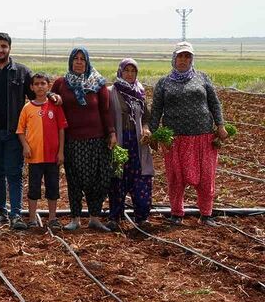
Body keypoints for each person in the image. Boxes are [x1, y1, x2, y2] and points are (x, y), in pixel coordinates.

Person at [150, 42, 226, 226]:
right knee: (176, 178)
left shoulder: (202, 78)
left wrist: (220, 125)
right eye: (180, 56)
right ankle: (176, 214)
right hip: (175, 139)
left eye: (187, 56)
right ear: (174, 59)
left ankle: (206, 215)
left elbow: (214, 103)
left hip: (204, 137)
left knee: (206, 177)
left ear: (192, 59)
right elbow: (156, 110)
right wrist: (152, 133)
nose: (183, 60)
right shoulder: (164, 83)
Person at [0, 33, 39, 230]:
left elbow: (36, 94)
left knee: (15, 173)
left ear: (10, 48)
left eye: (3, 46)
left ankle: (16, 214)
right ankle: (1, 212)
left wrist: (52, 96)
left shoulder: (22, 72)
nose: (0, 50)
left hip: (14, 132)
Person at [51, 47, 116, 232]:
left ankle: (95, 217)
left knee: (100, 179)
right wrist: (53, 97)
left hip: (97, 140)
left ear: (87, 62)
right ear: (70, 61)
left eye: (82, 59)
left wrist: (111, 132)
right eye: (75, 59)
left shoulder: (98, 83)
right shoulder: (62, 84)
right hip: (73, 140)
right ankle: (75, 218)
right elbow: (50, 99)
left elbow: (105, 110)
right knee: (75, 180)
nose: (79, 62)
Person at [16, 73, 67, 229]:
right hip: (35, 157)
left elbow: (61, 130)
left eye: (43, 83)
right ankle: (32, 218)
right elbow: (20, 130)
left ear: (48, 86)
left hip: (52, 156)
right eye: (36, 84)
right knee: (34, 188)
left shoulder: (55, 106)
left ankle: (52, 218)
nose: (39, 86)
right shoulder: (27, 108)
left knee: (53, 188)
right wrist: (25, 146)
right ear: (31, 87)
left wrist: (61, 152)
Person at [107, 59, 153, 230]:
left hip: (137, 143)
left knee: (141, 178)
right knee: (117, 178)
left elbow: (146, 117)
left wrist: (146, 129)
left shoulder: (139, 92)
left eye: (133, 71)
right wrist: (110, 134)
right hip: (119, 140)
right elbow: (106, 116)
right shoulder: (111, 91)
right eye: (126, 70)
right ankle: (115, 217)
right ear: (120, 72)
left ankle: (142, 217)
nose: (130, 74)